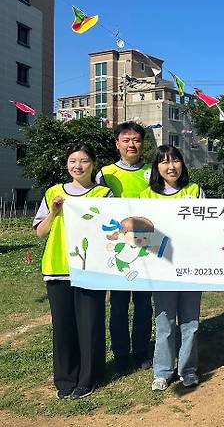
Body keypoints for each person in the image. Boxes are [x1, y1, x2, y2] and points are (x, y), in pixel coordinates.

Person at [34, 143, 112, 399]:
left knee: (90, 324)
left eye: (84, 161)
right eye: (72, 161)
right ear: (67, 164)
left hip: (91, 269)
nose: (78, 166)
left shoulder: (104, 194)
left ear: (93, 164)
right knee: (63, 326)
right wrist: (54, 212)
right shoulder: (53, 193)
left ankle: (88, 378)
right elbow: (39, 231)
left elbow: (111, 232)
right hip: (58, 268)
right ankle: (65, 378)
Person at [140, 145, 204, 391]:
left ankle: (188, 369)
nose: (171, 166)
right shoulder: (147, 196)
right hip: (162, 268)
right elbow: (141, 232)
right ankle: (163, 371)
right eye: (164, 162)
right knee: (165, 322)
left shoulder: (194, 191)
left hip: (190, 267)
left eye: (175, 160)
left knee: (190, 322)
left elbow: (205, 226)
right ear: (157, 168)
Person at [97, 121, 153, 371]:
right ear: (117, 143)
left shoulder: (153, 171)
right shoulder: (105, 173)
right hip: (116, 248)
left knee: (143, 304)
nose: (132, 144)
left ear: (143, 143)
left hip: (147, 247)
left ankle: (141, 351)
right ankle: (120, 353)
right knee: (118, 305)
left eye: (137, 140)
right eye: (126, 140)